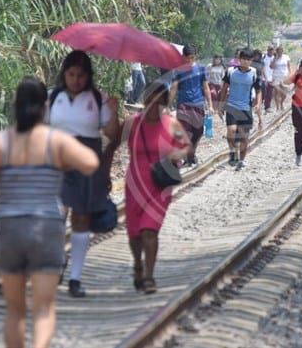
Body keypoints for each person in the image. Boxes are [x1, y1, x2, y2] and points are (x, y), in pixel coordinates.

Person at [0, 76, 99, 348]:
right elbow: (91, 162)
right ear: (44, 107)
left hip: (8, 229)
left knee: (14, 310)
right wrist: (62, 162)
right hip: (46, 228)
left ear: (15, 105)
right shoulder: (55, 140)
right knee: (43, 309)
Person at [47, 50, 120, 298]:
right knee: (56, 216)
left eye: (80, 75)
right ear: (64, 74)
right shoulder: (52, 98)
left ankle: (75, 279)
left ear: (88, 76)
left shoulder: (99, 100)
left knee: (81, 220)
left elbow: (113, 136)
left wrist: (113, 112)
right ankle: (57, 259)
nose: (75, 79)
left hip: (87, 164)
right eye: (71, 74)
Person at [118, 81, 192, 294]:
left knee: (150, 230)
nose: (152, 105)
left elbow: (187, 146)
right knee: (134, 234)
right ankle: (137, 264)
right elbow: (112, 143)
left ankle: (149, 275)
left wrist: (178, 154)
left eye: (158, 101)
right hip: (134, 183)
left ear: (164, 102)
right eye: (149, 100)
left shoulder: (172, 125)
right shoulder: (131, 123)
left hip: (159, 185)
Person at [169, 44, 214, 166]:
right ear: (183, 57)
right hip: (183, 104)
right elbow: (174, 88)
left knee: (198, 131)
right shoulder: (178, 70)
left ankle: (191, 153)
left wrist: (210, 105)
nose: (189, 60)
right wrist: (167, 105)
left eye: (192, 57)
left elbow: (205, 87)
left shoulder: (201, 69)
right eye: (187, 58)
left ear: (195, 57)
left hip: (198, 104)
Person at [218, 48, 262, 170]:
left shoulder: (254, 73)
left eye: (248, 60)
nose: (245, 62)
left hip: (246, 109)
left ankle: (241, 161)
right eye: (243, 59)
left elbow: (258, 91)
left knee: (244, 138)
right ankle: (232, 151)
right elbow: (224, 89)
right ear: (239, 59)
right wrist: (221, 105)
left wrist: (258, 104)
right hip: (231, 107)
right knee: (231, 132)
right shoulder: (231, 72)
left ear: (251, 60)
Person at [270, 45, 292, 111]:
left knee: (284, 93)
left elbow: (289, 66)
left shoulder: (286, 57)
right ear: (276, 52)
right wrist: (275, 59)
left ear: (282, 51)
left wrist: (290, 74)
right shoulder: (274, 58)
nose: (280, 53)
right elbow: (271, 67)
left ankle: (281, 103)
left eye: (281, 51)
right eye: (278, 52)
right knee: (277, 92)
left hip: (284, 76)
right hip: (276, 76)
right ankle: (277, 107)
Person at [262, 46, 275, 113]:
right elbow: (263, 68)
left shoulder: (274, 58)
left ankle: (267, 106)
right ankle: (261, 103)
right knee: (263, 93)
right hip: (264, 78)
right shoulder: (264, 57)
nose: (271, 51)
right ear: (267, 50)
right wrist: (265, 77)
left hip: (272, 78)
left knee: (270, 93)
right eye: (270, 50)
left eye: (272, 50)